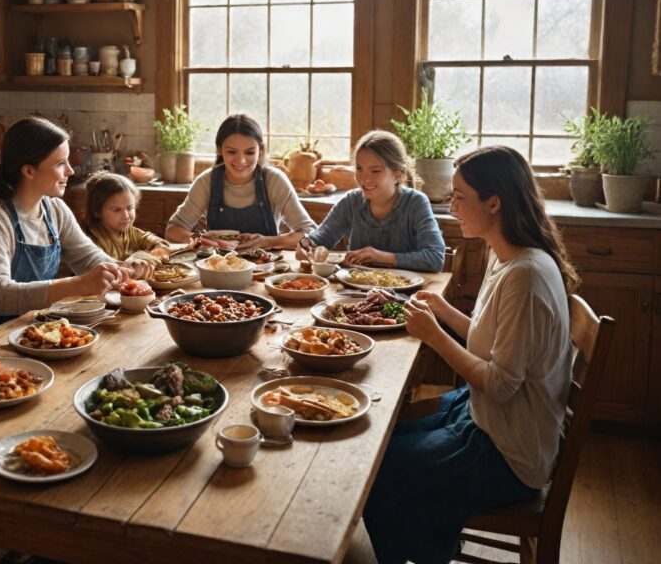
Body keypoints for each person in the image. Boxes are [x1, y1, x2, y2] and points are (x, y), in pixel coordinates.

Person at [363, 146, 579, 564]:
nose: (451, 203)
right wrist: (442, 311)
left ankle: (426, 548)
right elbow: (490, 340)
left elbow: (500, 384)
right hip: (486, 418)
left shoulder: (527, 276)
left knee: (377, 476)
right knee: (378, 446)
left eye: (460, 195)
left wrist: (435, 337)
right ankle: (434, 541)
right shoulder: (508, 257)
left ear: (494, 202)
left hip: (509, 451)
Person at [0, 116, 151, 328]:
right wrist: (77, 285)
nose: (70, 170)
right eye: (61, 163)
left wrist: (122, 269)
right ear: (29, 171)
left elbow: (88, 257)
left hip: (43, 328)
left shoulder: (54, 210)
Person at [296, 129, 445, 272]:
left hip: (407, 294)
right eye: (359, 168)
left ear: (397, 174)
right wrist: (305, 245)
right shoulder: (351, 201)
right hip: (356, 291)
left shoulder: (415, 202)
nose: (364, 179)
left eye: (375, 171)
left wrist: (381, 256)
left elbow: (435, 258)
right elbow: (319, 239)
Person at [165, 113, 316, 250]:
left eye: (250, 152)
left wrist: (269, 241)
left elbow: (310, 233)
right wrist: (198, 239)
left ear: (260, 150)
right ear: (219, 149)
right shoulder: (206, 182)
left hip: (268, 270)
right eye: (231, 152)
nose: (241, 160)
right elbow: (173, 230)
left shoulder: (274, 181)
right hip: (216, 268)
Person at [82, 171, 169, 260]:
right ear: (96, 211)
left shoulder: (131, 232)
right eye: (116, 210)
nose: (126, 216)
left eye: (130, 208)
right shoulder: (93, 241)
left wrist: (158, 247)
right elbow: (105, 268)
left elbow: (154, 241)